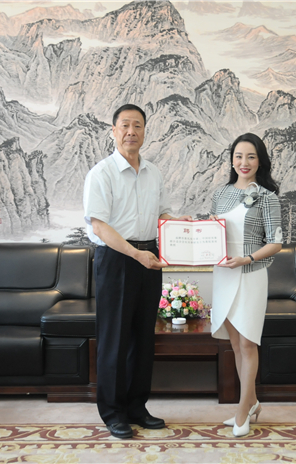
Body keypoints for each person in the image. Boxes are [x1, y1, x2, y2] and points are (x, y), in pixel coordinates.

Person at [83, 104, 191, 439]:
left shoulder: (153, 172)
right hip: (117, 259)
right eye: (125, 125)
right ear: (113, 131)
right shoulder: (101, 173)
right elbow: (99, 226)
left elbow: (162, 214)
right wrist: (135, 254)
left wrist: (181, 225)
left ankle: (136, 407)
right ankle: (113, 412)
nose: (132, 131)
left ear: (145, 132)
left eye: (138, 125)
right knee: (114, 339)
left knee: (143, 338)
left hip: (149, 257)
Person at [209, 133, 283, 437]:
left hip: (251, 273)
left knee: (248, 342)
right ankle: (251, 404)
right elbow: (212, 233)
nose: (244, 162)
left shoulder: (267, 197)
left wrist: (247, 258)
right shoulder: (221, 193)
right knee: (235, 344)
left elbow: (276, 242)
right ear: (231, 160)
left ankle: (243, 411)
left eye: (251, 156)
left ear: (260, 161)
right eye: (239, 156)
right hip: (223, 274)